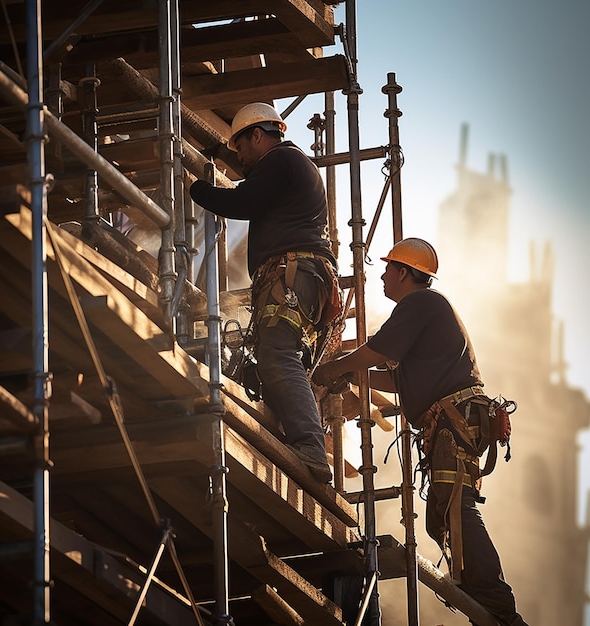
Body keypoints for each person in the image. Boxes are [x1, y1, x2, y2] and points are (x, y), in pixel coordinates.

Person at [312, 238, 528, 626]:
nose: (382, 274)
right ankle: (480, 593)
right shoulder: (424, 313)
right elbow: (396, 378)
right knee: (440, 515)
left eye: (388, 268)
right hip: (453, 420)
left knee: (454, 509)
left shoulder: (420, 304)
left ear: (404, 273)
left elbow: (376, 352)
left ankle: (498, 602)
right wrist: (351, 373)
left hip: (454, 419)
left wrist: (333, 368)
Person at [189, 102, 342, 483]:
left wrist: (198, 188)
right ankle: (296, 438)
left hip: (294, 272)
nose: (239, 157)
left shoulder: (282, 160)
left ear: (258, 135)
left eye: (240, 146)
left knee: (277, 352)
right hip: (304, 277)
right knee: (277, 358)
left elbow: (243, 201)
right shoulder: (294, 167)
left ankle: (310, 445)